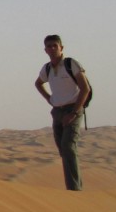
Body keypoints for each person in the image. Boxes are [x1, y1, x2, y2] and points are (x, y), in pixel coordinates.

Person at [34, 34, 91, 191]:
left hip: (73, 109)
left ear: (61, 48)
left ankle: (75, 190)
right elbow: (38, 83)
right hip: (57, 111)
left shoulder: (71, 64)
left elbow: (85, 89)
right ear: (45, 50)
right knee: (63, 149)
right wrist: (49, 99)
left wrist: (74, 112)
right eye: (49, 46)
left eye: (55, 46)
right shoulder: (47, 68)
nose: (52, 49)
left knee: (68, 147)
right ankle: (73, 187)